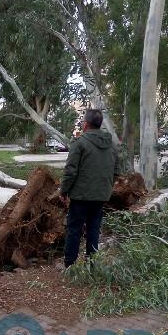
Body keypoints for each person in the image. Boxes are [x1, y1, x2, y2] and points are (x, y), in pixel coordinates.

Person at [56, 109, 120, 269]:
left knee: (74, 230)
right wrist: (105, 189)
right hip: (100, 197)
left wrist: (63, 191)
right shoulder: (111, 145)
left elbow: (70, 171)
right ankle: (92, 264)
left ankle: (70, 265)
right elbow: (117, 171)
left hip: (80, 197)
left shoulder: (80, 143)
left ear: (86, 124)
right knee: (93, 229)